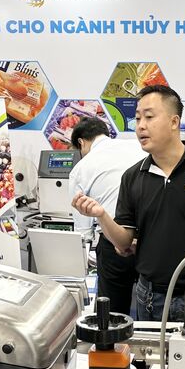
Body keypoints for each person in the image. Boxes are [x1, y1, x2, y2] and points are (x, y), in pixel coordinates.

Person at [71, 85, 185, 322]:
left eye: (149, 117)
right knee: (150, 348)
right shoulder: (133, 177)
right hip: (149, 295)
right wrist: (101, 215)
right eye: (138, 118)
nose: (141, 125)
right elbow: (123, 242)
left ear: (174, 121)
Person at [68, 117, 146, 314]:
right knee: (152, 303)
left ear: (81, 142)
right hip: (149, 239)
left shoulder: (81, 168)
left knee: (113, 312)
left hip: (113, 241)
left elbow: (83, 232)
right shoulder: (138, 148)